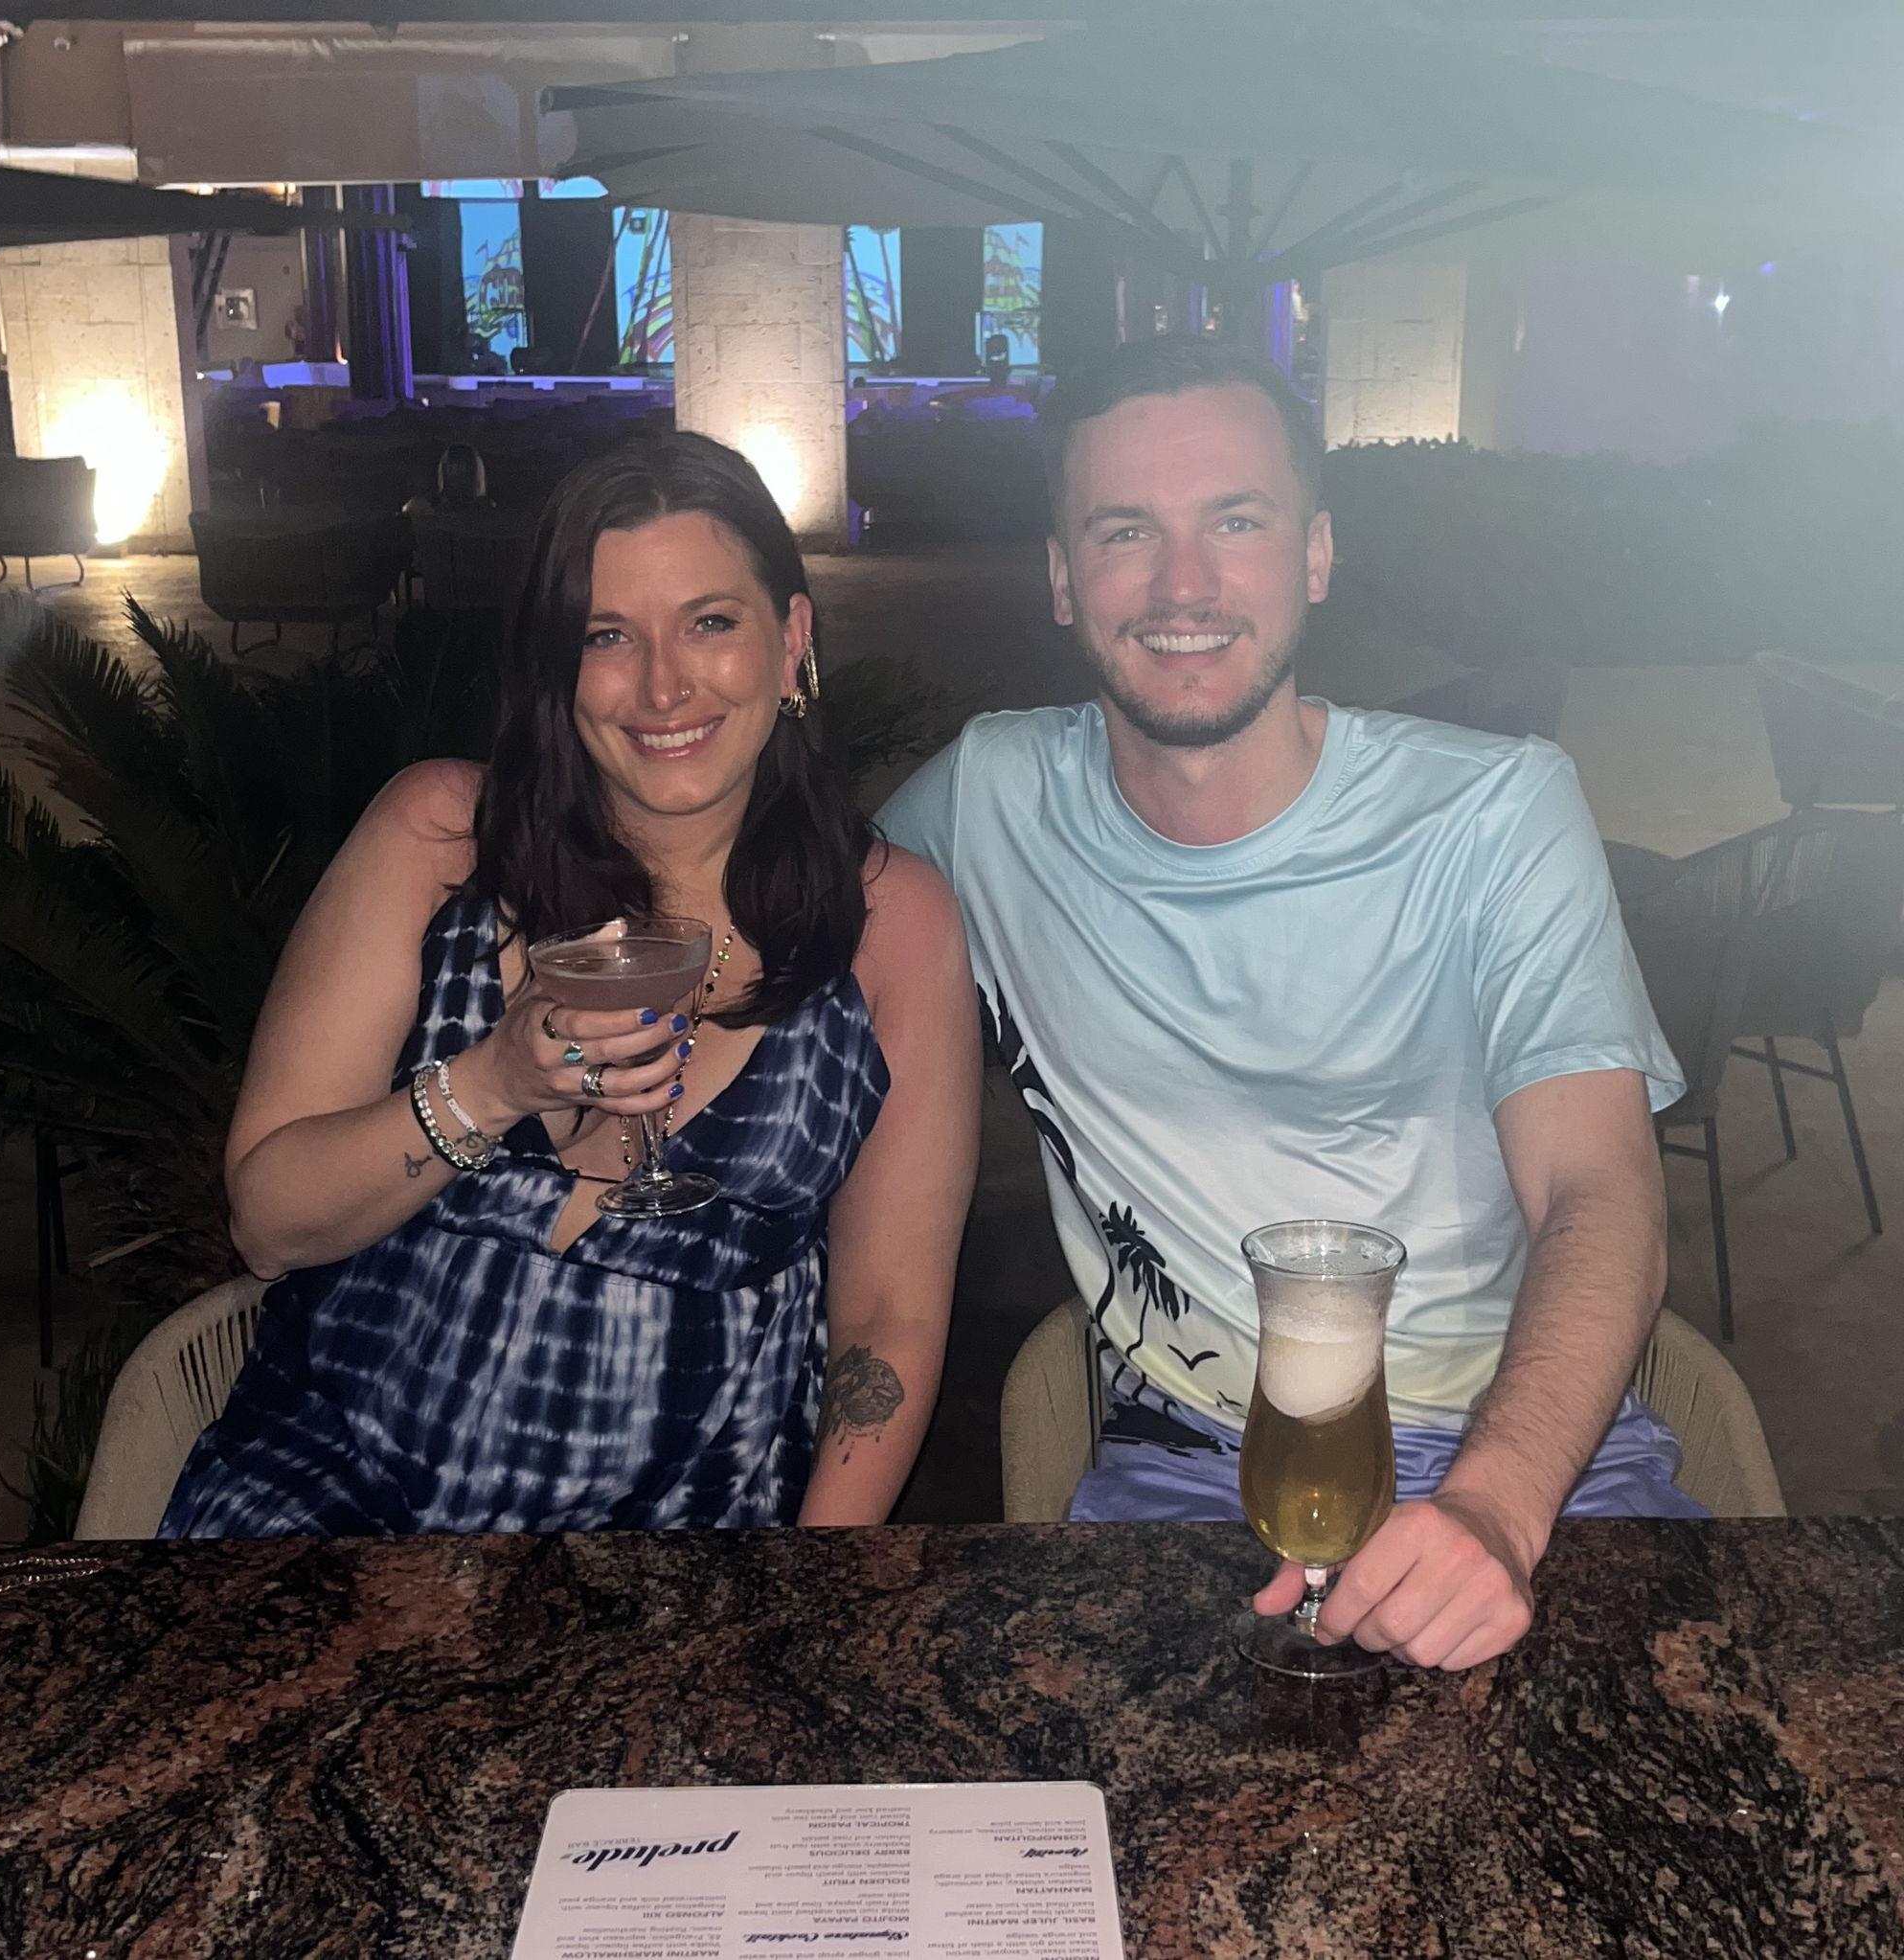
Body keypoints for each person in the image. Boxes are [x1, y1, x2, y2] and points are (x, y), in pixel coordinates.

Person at [879, 334, 1691, 1674]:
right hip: (1187, 1472)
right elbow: (770, 927)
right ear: (1062, 577)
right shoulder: (989, 801)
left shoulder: (1492, 812)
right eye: (1126, 531)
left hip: (1528, 1459)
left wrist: (1493, 1504)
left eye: (1235, 522)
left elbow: (1600, 1189)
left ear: (1314, 555)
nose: (1183, 585)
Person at [164, 429, 979, 1538]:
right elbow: (267, 1226)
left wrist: (815, 1584)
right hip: (334, 1506)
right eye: (607, 635)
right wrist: (490, 1086)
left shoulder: (891, 924)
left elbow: (887, 1319)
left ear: (790, 639)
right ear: (557, 663)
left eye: (709, 622)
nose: (662, 685)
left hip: (676, 1552)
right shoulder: (438, 839)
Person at [403, 442, 491, 517]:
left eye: (463, 467)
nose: (458, 471)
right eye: (453, 467)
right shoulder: (424, 509)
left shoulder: (425, 510)